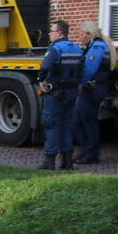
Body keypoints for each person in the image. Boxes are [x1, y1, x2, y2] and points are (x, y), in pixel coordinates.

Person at [38, 20, 83, 170]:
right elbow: (81, 69)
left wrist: (41, 80)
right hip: (71, 92)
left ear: (59, 33)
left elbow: (45, 66)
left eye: (51, 31)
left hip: (56, 93)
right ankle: (67, 161)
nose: (49, 34)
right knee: (66, 125)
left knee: (51, 124)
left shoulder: (55, 49)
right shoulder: (76, 48)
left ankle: (49, 161)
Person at [74, 21, 115, 165]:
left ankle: (91, 153)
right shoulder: (94, 46)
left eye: (81, 34)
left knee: (87, 121)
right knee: (80, 119)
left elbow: (89, 70)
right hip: (92, 89)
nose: (79, 37)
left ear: (89, 34)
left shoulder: (97, 47)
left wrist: (75, 81)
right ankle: (87, 151)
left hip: (93, 89)